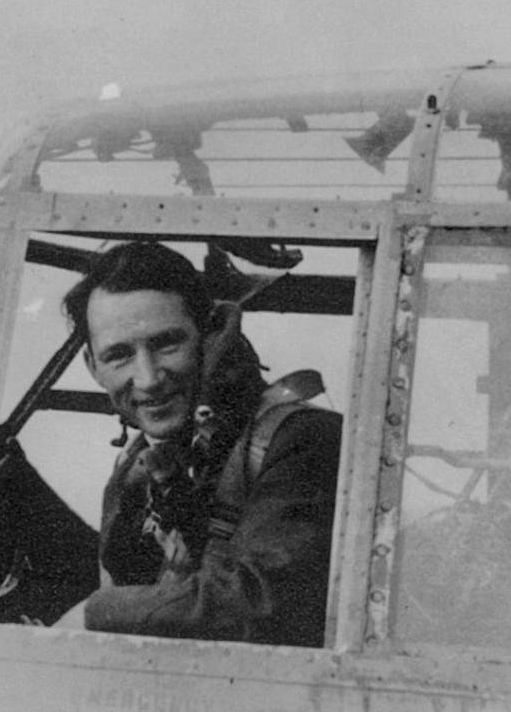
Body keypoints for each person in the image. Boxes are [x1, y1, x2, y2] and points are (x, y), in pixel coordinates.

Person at [62, 241, 342, 647]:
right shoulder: (137, 467)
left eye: (166, 343)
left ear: (214, 333)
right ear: (93, 366)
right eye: (120, 355)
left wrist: (95, 614)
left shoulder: (301, 440)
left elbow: (260, 602)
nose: (148, 378)